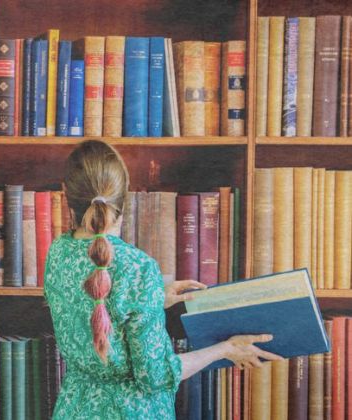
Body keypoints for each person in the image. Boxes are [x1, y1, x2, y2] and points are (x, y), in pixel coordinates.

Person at [43, 140, 282, 419]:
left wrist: (153, 300)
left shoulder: (57, 252)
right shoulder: (139, 269)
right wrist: (225, 349)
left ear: (65, 192)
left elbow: (95, 310)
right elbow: (155, 376)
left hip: (73, 409)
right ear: (125, 195)